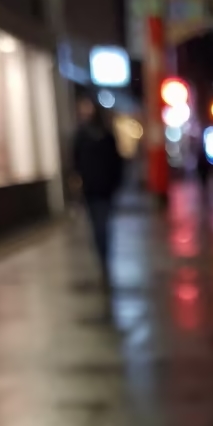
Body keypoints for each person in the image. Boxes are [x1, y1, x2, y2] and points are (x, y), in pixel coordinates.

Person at [72, 95, 123, 289]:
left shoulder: (101, 136)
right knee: (99, 227)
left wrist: (114, 184)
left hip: (100, 190)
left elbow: (116, 164)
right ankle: (103, 259)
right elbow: (76, 162)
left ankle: (104, 259)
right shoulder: (85, 136)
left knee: (101, 227)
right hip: (94, 190)